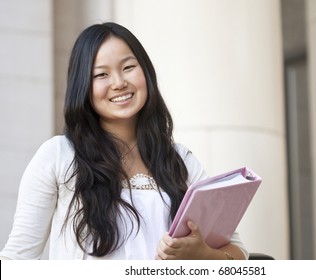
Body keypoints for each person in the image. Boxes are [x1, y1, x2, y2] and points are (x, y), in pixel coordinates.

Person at [0, 22, 248, 260]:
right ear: (83, 86)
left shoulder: (180, 160)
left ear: (146, 72)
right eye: (101, 74)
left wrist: (203, 255)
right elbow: (19, 257)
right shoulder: (57, 155)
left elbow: (237, 251)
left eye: (128, 67)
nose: (119, 83)